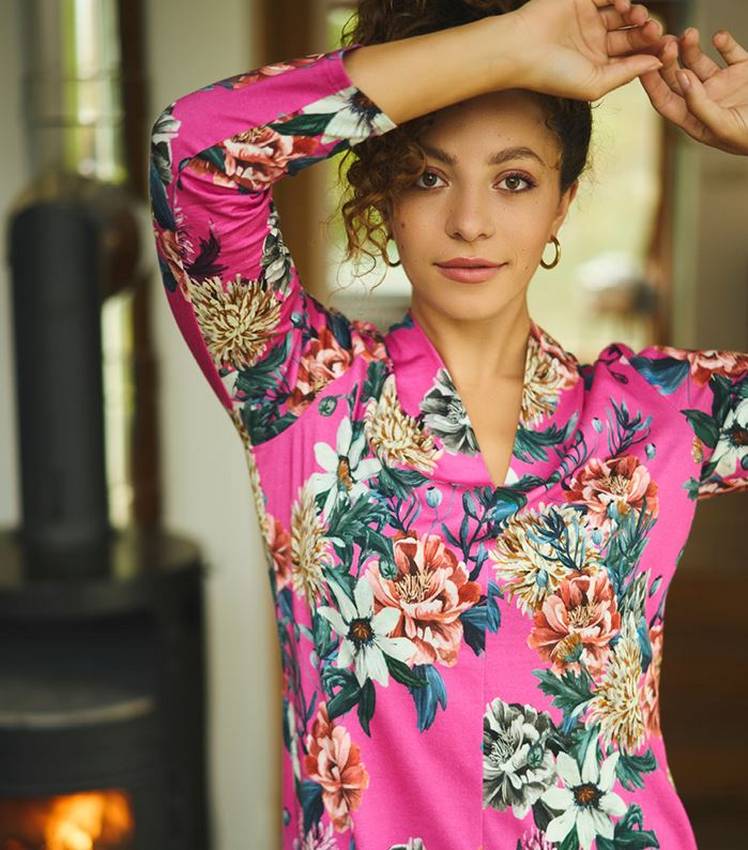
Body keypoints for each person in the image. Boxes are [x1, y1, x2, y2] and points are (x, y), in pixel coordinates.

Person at [148, 1, 748, 847]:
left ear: (563, 204)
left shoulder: (663, 415)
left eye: (514, 180)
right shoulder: (302, 389)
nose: (470, 221)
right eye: (429, 176)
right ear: (387, 195)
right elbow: (195, 155)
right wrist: (509, 46)